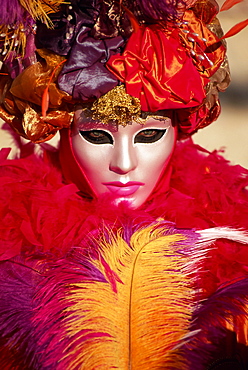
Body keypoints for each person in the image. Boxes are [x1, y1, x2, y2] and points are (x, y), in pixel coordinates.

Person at [0, 0, 248, 368]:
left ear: (178, 131)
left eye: (148, 135)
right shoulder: (10, 234)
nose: (124, 163)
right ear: (62, 131)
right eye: (97, 136)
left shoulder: (233, 239)